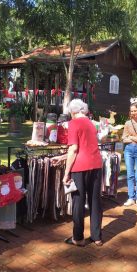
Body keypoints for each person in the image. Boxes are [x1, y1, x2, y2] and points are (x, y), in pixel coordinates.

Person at [52, 99, 103, 247]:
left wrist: (66, 173)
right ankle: (97, 236)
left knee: (78, 202)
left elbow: (74, 149)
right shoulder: (91, 123)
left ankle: (78, 237)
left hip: (80, 167)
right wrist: (62, 157)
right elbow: (84, 146)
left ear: (73, 111)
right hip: (96, 164)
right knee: (95, 201)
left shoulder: (73, 124)